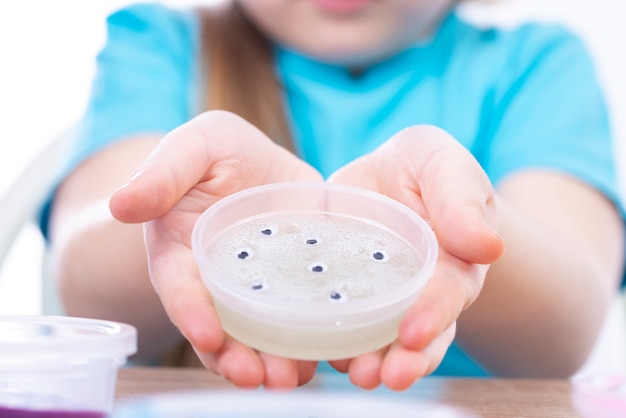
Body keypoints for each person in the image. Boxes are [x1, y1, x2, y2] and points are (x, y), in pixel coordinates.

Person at [44, 0, 625, 390]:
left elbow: (567, 333)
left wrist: (463, 226)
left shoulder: (536, 66)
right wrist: (182, 216)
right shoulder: (161, 44)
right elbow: (84, 287)